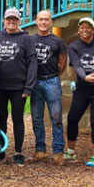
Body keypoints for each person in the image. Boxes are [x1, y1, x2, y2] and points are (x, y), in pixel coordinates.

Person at [65, 17, 94, 168]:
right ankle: (70, 151)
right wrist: (85, 77)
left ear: (93, 29)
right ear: (78, 30)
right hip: (82, 89)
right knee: (72, 118)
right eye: (81, 27)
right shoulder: (74, 46)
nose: (84, 30)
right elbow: (77, 65)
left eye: (88, 27)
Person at [0, 8, 36, 165]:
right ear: (3, 20)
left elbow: (32, 63)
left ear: (19, 21)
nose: (11, 22)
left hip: (18, 87)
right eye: (8, 19)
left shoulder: (26, 39)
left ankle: (18, 151)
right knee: (0, 118)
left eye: (14, 19)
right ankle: (1, 150)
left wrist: (29, 87)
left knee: (18, 119)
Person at [29, 10, 68, 163]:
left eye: (46, 19)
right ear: (36, 22)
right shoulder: (30, 40)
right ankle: (40, 149)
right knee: (37, 117)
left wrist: (55, 75)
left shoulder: (58, 41)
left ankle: (58, 151)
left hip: (52, 81)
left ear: (51, 22)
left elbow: (63, 63)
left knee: (56, 116)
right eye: (41, 19)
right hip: (35, 82)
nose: (43, 22)